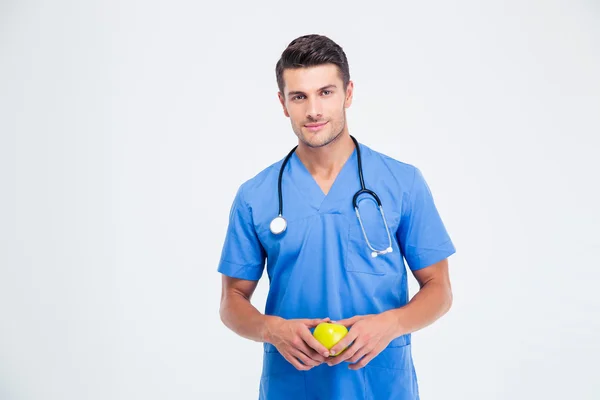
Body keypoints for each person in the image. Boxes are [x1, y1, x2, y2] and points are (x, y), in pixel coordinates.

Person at [217, 34, 456, 400]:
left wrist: (391, 324)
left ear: (348, 93)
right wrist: (271, 329)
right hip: (291, 387)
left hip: (380, 386)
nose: (313, 110)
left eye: (326, 92)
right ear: (283, 103)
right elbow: (232, 300)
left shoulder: (402, 182)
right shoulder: (256, 195)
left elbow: (439, 289)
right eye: (300, 96)